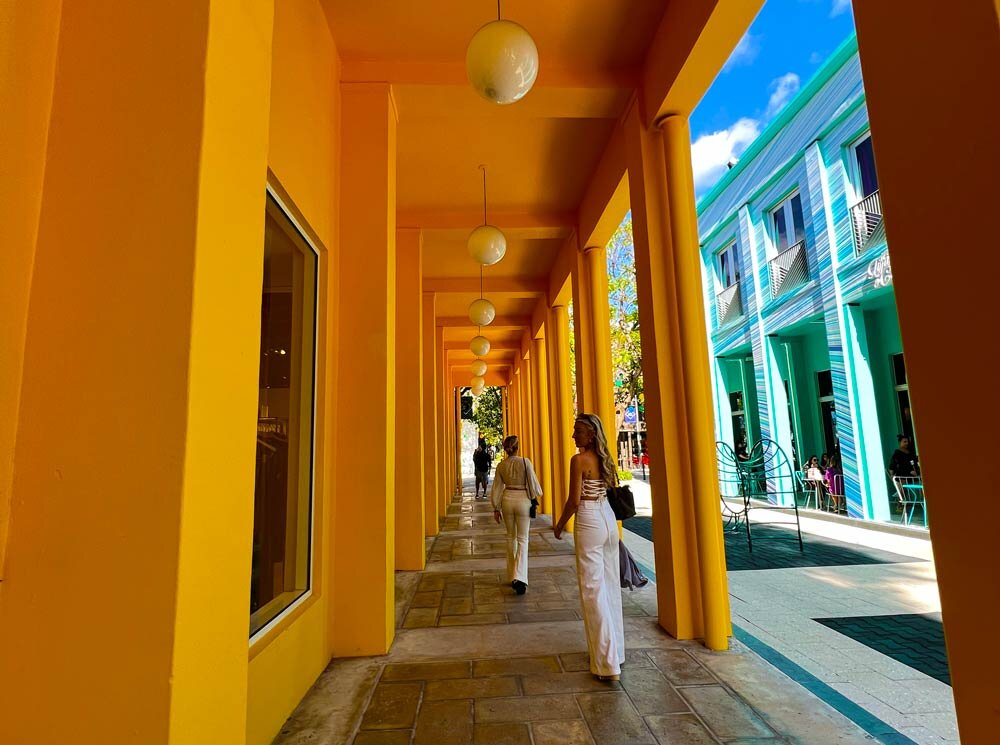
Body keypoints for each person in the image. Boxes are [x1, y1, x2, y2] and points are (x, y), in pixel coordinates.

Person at [552, 414, 625, 682]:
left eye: (578, 431)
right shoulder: (605, 459)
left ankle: (607, 664)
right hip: (608, 519)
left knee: (592, 590)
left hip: (589, 519)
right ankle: (617, 652)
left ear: (591, 434)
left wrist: (560, 524)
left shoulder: (579, 460)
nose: (574, 435)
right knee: (610, 586)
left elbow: (574, 500)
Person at [490, 435, 542, 595]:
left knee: (510, 537)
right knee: (523, 539)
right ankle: (520, 577)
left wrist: (496, 507)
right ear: (518, 447)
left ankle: (512, 574)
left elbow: (497, 487)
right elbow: (534, 484)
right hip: (523, 500)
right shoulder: (525, 462)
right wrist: (534, 496)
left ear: (506, 449)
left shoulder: (501, 465)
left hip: (507, 499)